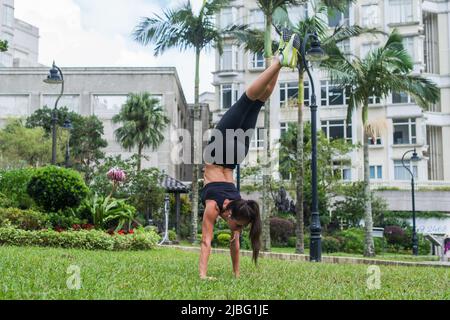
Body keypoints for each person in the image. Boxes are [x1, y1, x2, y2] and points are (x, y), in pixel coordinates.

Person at [199, 29, 301, 280]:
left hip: (232, 153)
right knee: (251, 100)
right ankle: (280, 59)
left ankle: (282, 56)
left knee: (256, 100)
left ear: (232, 213)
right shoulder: (223, 209)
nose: (238, 231)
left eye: (239, 227)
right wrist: (231, 275)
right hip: (222, 152)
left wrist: (207, 276)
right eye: (240, 227)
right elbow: (209, 242)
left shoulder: (230, 207)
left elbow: (206, 242)